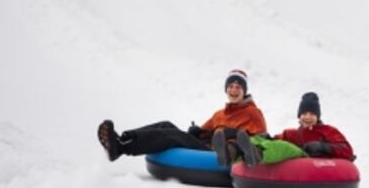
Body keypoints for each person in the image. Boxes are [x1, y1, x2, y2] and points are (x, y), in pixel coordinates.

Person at [97, 69, 267, 162]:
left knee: (173, 136)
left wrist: (233, 134)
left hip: (217, 152)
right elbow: (205, 130)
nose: (234, 90)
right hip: (205, 144)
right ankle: (123, 138)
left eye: (238, 87)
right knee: (166, 125)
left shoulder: (252, 113)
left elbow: (261, 138)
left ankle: (121, 148)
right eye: (231, 86)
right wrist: (196, 131)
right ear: (226, 89)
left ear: (244, 91)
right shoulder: (220, 113)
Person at [214, 92, 355, 166]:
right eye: (304, 114)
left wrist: (323, 147)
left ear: (318, 116)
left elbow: (347, 150)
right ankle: (231, 152)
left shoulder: (328, 131)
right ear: (299, 116)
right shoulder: (292, 133)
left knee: (285, 147)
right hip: (296, 160)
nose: (307, 117)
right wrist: (264, 137)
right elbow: (274, 140)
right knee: (260, 139)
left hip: (310, 160)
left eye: (312, 114)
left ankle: (257, 154)